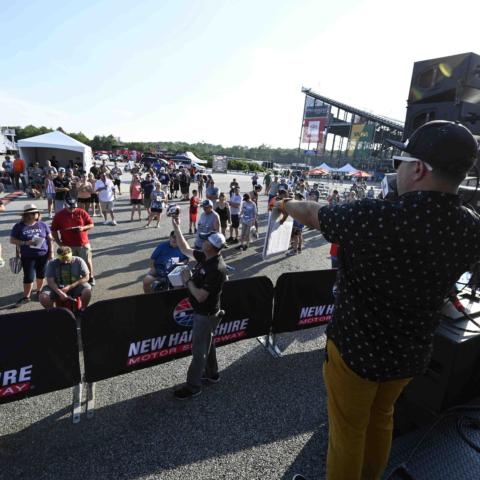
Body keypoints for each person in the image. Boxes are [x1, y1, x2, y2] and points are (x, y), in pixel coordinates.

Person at [274, 120, 480, 480]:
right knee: (382, 417)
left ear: (418, 168)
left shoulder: (377, 217)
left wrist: (285, 203)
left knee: (348, 431)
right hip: (411, 353)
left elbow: (311, 214)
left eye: (400, 161)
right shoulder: (470, 225)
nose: (396, 169)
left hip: (357, 350)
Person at [171, 216, 228, 399]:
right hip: (209, 313)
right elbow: (184, 249)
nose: (201, 241)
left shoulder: (217, 268)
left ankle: (193, 386)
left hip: (205, 314)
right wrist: (176, 226)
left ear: (210, 246)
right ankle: (212, 374)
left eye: (205, 240)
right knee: (208, 344)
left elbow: (201, 296)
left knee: (199, 352)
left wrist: (187, 279)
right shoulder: (207, 256)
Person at [10, 203, 54, 304]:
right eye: (31, 213)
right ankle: (26, 297)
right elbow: (12, 240)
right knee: (28, 277)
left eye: (35, 213)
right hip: (27, 256)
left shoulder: (43, 225)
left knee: (41, 274)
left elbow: (50, 239)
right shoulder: (18, 226)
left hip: (43, 254)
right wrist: (25, 242)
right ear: (25, 215)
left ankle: (39, 291)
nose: (33, 215)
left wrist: (51, 252)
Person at [51, 197, 95, 286]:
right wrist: (59, 243)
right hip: (68, 245)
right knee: (70, 263)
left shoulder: (81, 212)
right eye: (70, 208)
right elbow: (54, 230)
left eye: (74, 207)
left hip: (83, 243)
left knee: (87, 261)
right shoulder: (59, 215)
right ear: (65, 206)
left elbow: (91, 224)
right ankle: (74, 279)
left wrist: (83, 228)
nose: (72, 209)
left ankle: (90, 277)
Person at [39, 246, 92, 310]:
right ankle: (52, 312)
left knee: (87, 291)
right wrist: (60, 293)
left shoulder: (79, 261)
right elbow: (50, 282)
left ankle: (83, 309)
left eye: (67, 259)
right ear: (58, 256)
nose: (65, 262)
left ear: (71, 254)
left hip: (74, 286)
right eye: (62, 259)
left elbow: (86, 277)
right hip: (57, 288)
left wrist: (70, 286)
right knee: (43, 297)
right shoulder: (52, 263)